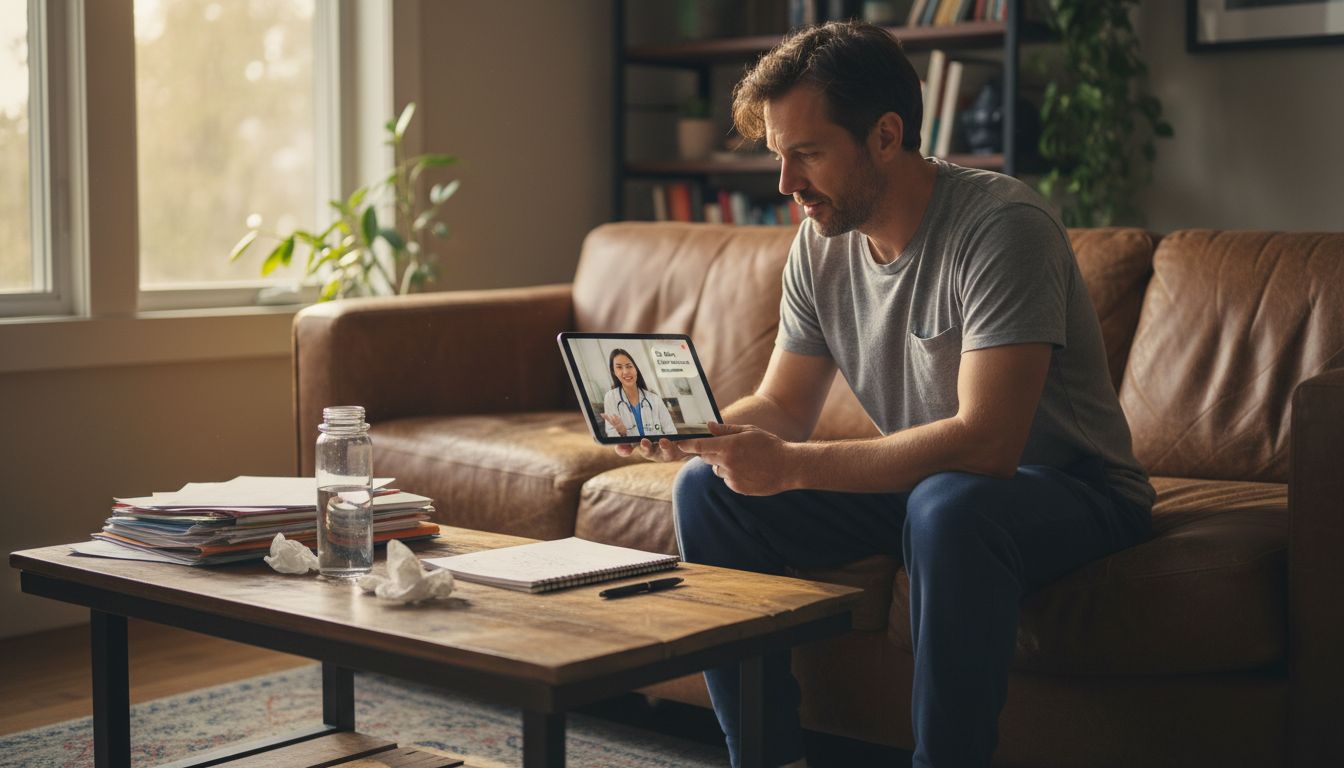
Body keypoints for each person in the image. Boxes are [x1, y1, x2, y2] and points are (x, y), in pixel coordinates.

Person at [615, 20, 1155, 768]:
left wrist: (795, 467)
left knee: (951, 505)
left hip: (1072, 490)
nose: (785, 184)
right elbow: (782, 406)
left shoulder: (1002, 227)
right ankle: (768, 758)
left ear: (886, 135)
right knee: (708, 491)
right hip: (938, 488)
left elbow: (987, 444)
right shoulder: (821, 241)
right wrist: (699, 433)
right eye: (779, 155)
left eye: (806, 154)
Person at [601, 348, 678, 438]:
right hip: (632, 451)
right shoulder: (611, 397)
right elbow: (612, 434)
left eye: (629, 366)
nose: (626, 372)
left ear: (635, 369)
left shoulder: (654, 399)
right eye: (619, 367)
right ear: (614, 372)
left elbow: (671, 432)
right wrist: (622, 433)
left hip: (658, 449)